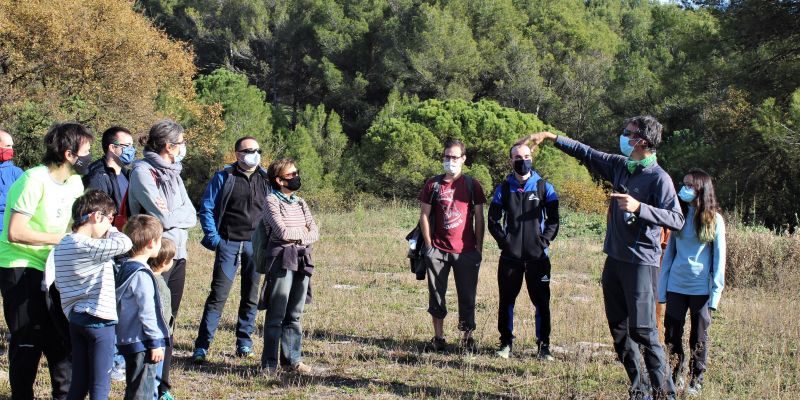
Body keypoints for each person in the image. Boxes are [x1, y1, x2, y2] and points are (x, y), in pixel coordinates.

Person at [521, 116, 683, 400]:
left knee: (644, 331)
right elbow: (587, 153)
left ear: (642, 141)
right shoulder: (621, 166)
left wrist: (640, 207)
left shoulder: (659, 178)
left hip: (641, 264)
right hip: (615, 261)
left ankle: (665, 393)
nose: (622, 137)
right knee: (620, 330)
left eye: (628, 133)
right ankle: (639, 389)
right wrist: (551, 136)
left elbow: (677, 219)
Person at [0, 122, 94, 399]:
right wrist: (62, 239)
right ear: (68, 153)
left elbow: (75, 227)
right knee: (28, 340)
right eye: (86, 150)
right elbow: (16, 232)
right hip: (21, 265)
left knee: (61, 338)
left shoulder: (76, 182)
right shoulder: (33, 180)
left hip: (56, 266)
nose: (89, 156)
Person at [127, 119, 196, 398]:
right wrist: (176, 216)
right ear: (169, 146)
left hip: (178, 253)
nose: (183, 147)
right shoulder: (143, 172)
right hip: (153, 256)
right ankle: (148, 385)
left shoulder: (175, 172)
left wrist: (175, 217)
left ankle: (163, 385)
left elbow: (191, 213)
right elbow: (164, 218)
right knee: (152, 320)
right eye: (180, 142)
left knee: (170, 319)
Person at [193, 136, 270, 363]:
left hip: (255, 246)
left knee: (251, 296)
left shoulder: (266, 179)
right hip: (228, 243)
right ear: (237, 154)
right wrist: (215, 239)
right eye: (248, 150)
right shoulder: (224, 177)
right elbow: (206, 208)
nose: (253, 154)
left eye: (257, 150)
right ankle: (202, 346)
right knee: (218, 296)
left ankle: (244, 343)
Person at [53, 190, 133, 400]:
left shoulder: (62, 245)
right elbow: (125, 243)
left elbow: (59, 285)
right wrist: (113, 230)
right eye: (109, 219)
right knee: (100, 386)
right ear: (96, 216)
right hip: (100, 322)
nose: (110, 225)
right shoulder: (89, 246)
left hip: (75, 320)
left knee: (78, 384)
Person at [487, 143, 559, 360]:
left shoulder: (544, 187)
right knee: (506, 301)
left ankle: (543, 346)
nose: (522, 161)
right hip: (510, 258)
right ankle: (505, 343)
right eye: (517, 157)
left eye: (526, 156)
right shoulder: (503, 188)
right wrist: (504, 242)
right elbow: (492, 220)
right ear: (511, 160)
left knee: (542, 302)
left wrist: (543, 242)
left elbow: (554, 221)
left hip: (538, 259)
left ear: (532, 157)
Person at [659, 169, 726, 397]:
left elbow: (719, 260)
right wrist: (662, 289)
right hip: (676, 285)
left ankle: (696, 379)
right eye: (683, 184)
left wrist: (715, 295)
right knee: (671, 334)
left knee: (698, 338)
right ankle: (673, 374)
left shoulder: (714, 219)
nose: (684, 188)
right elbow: (669, 255)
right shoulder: (678, 216)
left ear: (701, 189)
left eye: (689, 185)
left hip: (701, 289)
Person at [419, 139, 486, 353]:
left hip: (466, 251)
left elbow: (479, 217)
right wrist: (429, 246)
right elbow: (424, 215)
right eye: (447, 157)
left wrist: (479, 248)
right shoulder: (433, 184)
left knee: (467, 296)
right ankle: (438, 338)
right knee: (436, 295)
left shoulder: (472, 185)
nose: (450, 161)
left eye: (455, 157)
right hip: (438, 250)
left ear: (463, 159)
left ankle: (467, 339)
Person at [260, 158, 319, 374]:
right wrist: (303, 235)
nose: (296, 177)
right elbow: (281, 232)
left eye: (296, 173)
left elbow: (315, 232)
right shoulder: (271, 201)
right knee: (276, 313)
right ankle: (269, 364)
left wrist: (300, 237)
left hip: (303, 258)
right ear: (279, 180)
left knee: (294, 313)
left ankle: (292, 360)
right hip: (280, 259)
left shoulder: (300, 202)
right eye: (291, 174)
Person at [117, 215, 170, 400]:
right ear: (150, 243)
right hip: (144, 343)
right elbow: (148, 312)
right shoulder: (143, 274)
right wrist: (155, 343)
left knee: (133, 389)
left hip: (128, 340)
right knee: (142, 393)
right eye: (159, 240)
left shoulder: (124, 267)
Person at [147, 238, 176, 400]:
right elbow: (158, 315)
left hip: (157, 340)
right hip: (157, 341)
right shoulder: (156, 283)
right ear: (165, 262)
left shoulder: (151, 279)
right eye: (172, 259)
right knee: (152, 379)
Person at [83, 126, 136, 211]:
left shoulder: (127, 174)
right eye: (127, 146)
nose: (132, 150)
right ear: (112, 148)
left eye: (132, 146)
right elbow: (96, 213)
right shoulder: (98, 176)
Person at [0, 129, 23, 237]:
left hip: (9, 229)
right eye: (8, 146)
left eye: (12, 146)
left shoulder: (17, 173)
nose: (11, 149)